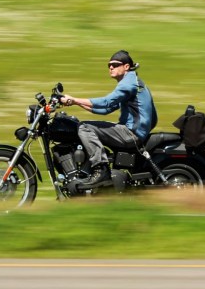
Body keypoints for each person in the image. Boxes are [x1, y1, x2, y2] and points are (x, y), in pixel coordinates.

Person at [59, 50, 158, 188]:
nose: (111, 67)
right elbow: (107, 110)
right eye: (109, 65)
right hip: (134, 132)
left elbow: (106, 102)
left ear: (126, 67)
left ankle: (101, 169)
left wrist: (74, 99)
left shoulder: (128, 83)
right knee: (84, 125)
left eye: (115, 65)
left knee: (84, 127)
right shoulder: (132, 81)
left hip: (131, 133)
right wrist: (75, 103)